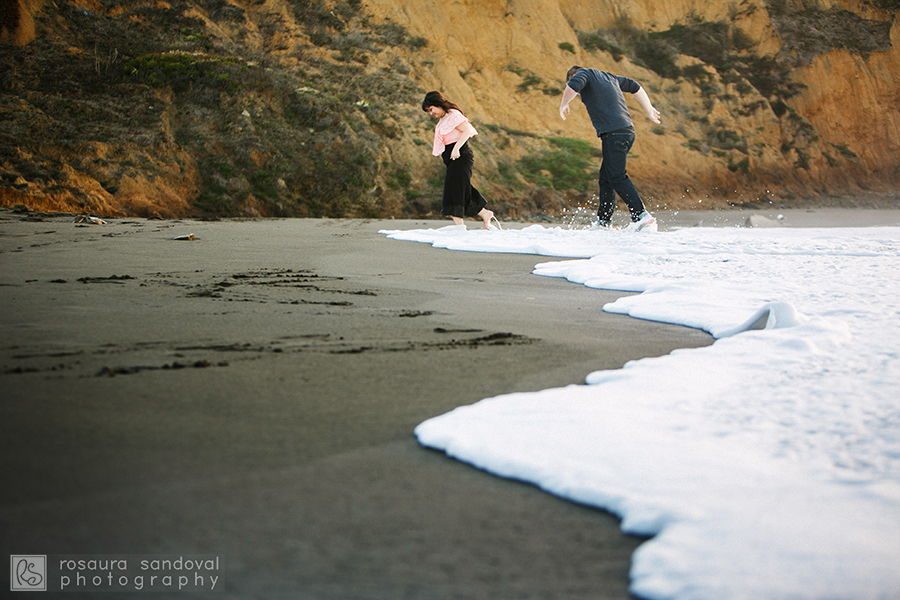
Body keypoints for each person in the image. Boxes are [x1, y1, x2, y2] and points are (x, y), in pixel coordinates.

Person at [559, 65, 661, 231]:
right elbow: (634, 86)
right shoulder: (609, 78)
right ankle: (603, 222)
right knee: (606, 178)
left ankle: (642, 216)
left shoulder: (584, 73)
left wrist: (564, 104)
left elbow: (575, 83)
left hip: (614, 134)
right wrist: (648, 108)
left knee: (616, 176)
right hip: (625, 132)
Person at [422, 91, 498, 230]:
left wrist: (456, 149)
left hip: (461, 156)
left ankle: (459, 227)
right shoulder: (442, 120)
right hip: (451, 159)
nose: (431, 113)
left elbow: (467, 131)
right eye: (428, 112)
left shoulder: (453, 115)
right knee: (462, 189)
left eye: (431, 109)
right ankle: (485, 213)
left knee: (453, 190)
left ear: (438, 104)